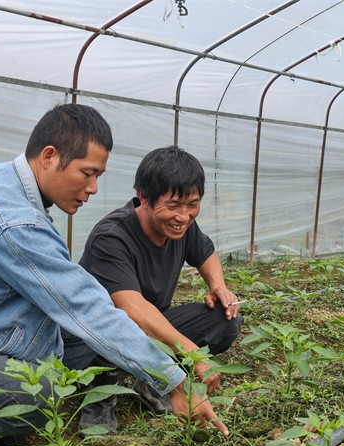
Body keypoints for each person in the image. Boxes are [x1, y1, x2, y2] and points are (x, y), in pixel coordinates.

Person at [0, 104, 228, 446]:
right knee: (43, 399)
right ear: (49, 157)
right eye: (87, 173)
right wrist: (173, 377)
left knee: (89, 351)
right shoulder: (14, 220)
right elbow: (86, 308)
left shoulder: (2, 181)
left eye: (98, 175)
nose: (93, 188)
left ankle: (1, 417)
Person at [77, 146, 242, 431]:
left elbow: (205, 253)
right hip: (98, 336)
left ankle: (152, 381)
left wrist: (218, 286)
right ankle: (100, 391)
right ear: (144, 197)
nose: (184, 215)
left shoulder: (182, 225)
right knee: (122, 327)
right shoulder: (111, 237)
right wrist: (193, 354)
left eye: (193, 204)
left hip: (150, 323)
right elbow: (132, 310)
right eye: (174, 205)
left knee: (226, 319)